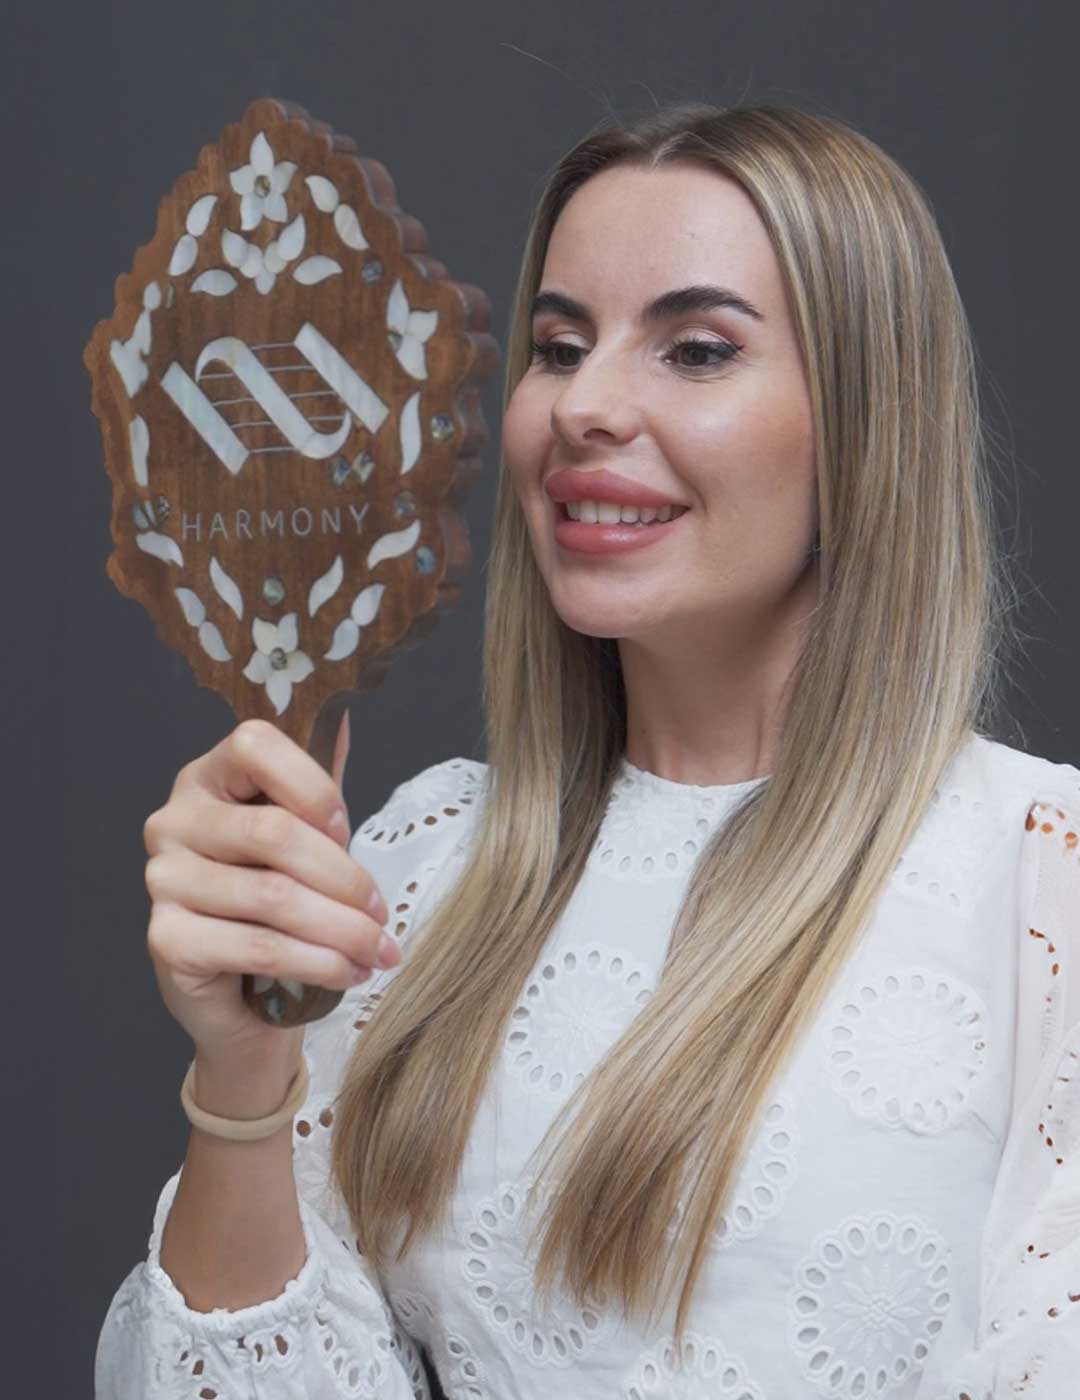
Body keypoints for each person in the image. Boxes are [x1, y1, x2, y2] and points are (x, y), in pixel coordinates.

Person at [95, 102, 1080, 1398]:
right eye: (559, 348)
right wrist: (243, 1068)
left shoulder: (1041, 886)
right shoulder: (429, 865)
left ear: (867, 423)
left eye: (698, 350)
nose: (584, 406)